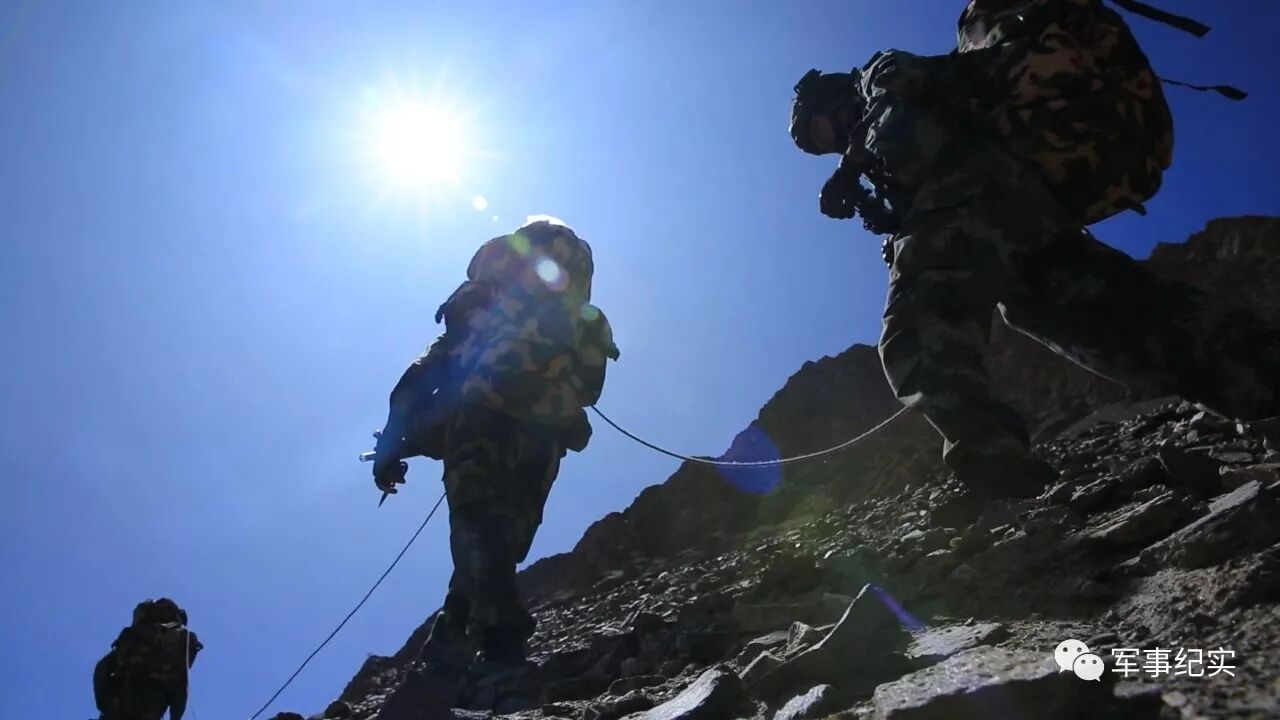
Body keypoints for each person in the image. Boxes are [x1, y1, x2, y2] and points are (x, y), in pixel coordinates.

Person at [788, 0, 1280, 505]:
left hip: (976, 199)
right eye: (821, 145)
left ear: (835, 100)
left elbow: (903, 85)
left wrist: (850, 170)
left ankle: (1003, 477)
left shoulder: (874, 75)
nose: (831, 143)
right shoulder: (875, 137)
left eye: (822, 131)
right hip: (1025, 212)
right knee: (1097, 314)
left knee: (916, 328)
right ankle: (1259, 372)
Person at [371, 217, 619, 711]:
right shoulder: (576, 315)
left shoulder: (480, 309)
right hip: (544, 435)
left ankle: (493, 649)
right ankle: (457, 647)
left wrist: (390, 447)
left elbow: (419, 378)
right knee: (498, 542)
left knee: (479, 529)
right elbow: (589, 389)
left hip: (481, 420)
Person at [94, 598, 202, 720]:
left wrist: (105, 705)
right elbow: (181, 689)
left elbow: (102, 668)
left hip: (119, 708)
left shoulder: (138, 635)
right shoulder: (180, 642)